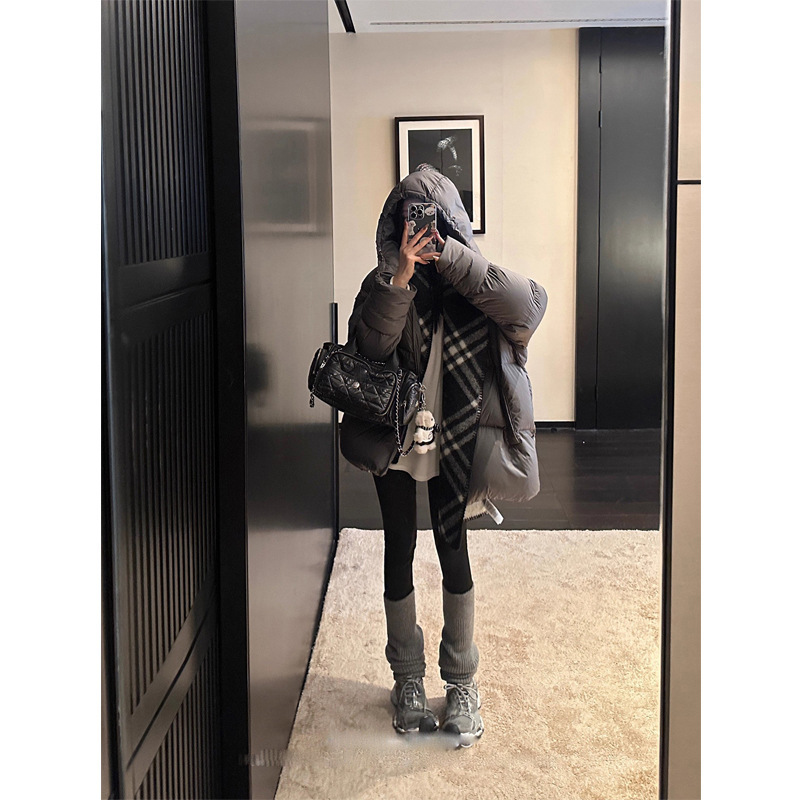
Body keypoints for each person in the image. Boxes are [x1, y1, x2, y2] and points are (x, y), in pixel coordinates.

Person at [342, 163, 548, 749]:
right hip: (395, 437)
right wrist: (400, 279)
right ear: (393, 227)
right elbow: (370, 349)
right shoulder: (382, 284)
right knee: (399, 546)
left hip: (454, 440)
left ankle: (461, 681)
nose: (421, 232)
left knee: (452, 548)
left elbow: (529, 307)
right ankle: (406, 678)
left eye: (432, 221)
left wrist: (452, 257)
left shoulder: (477, 289)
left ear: (453, 222)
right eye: (410, 221)